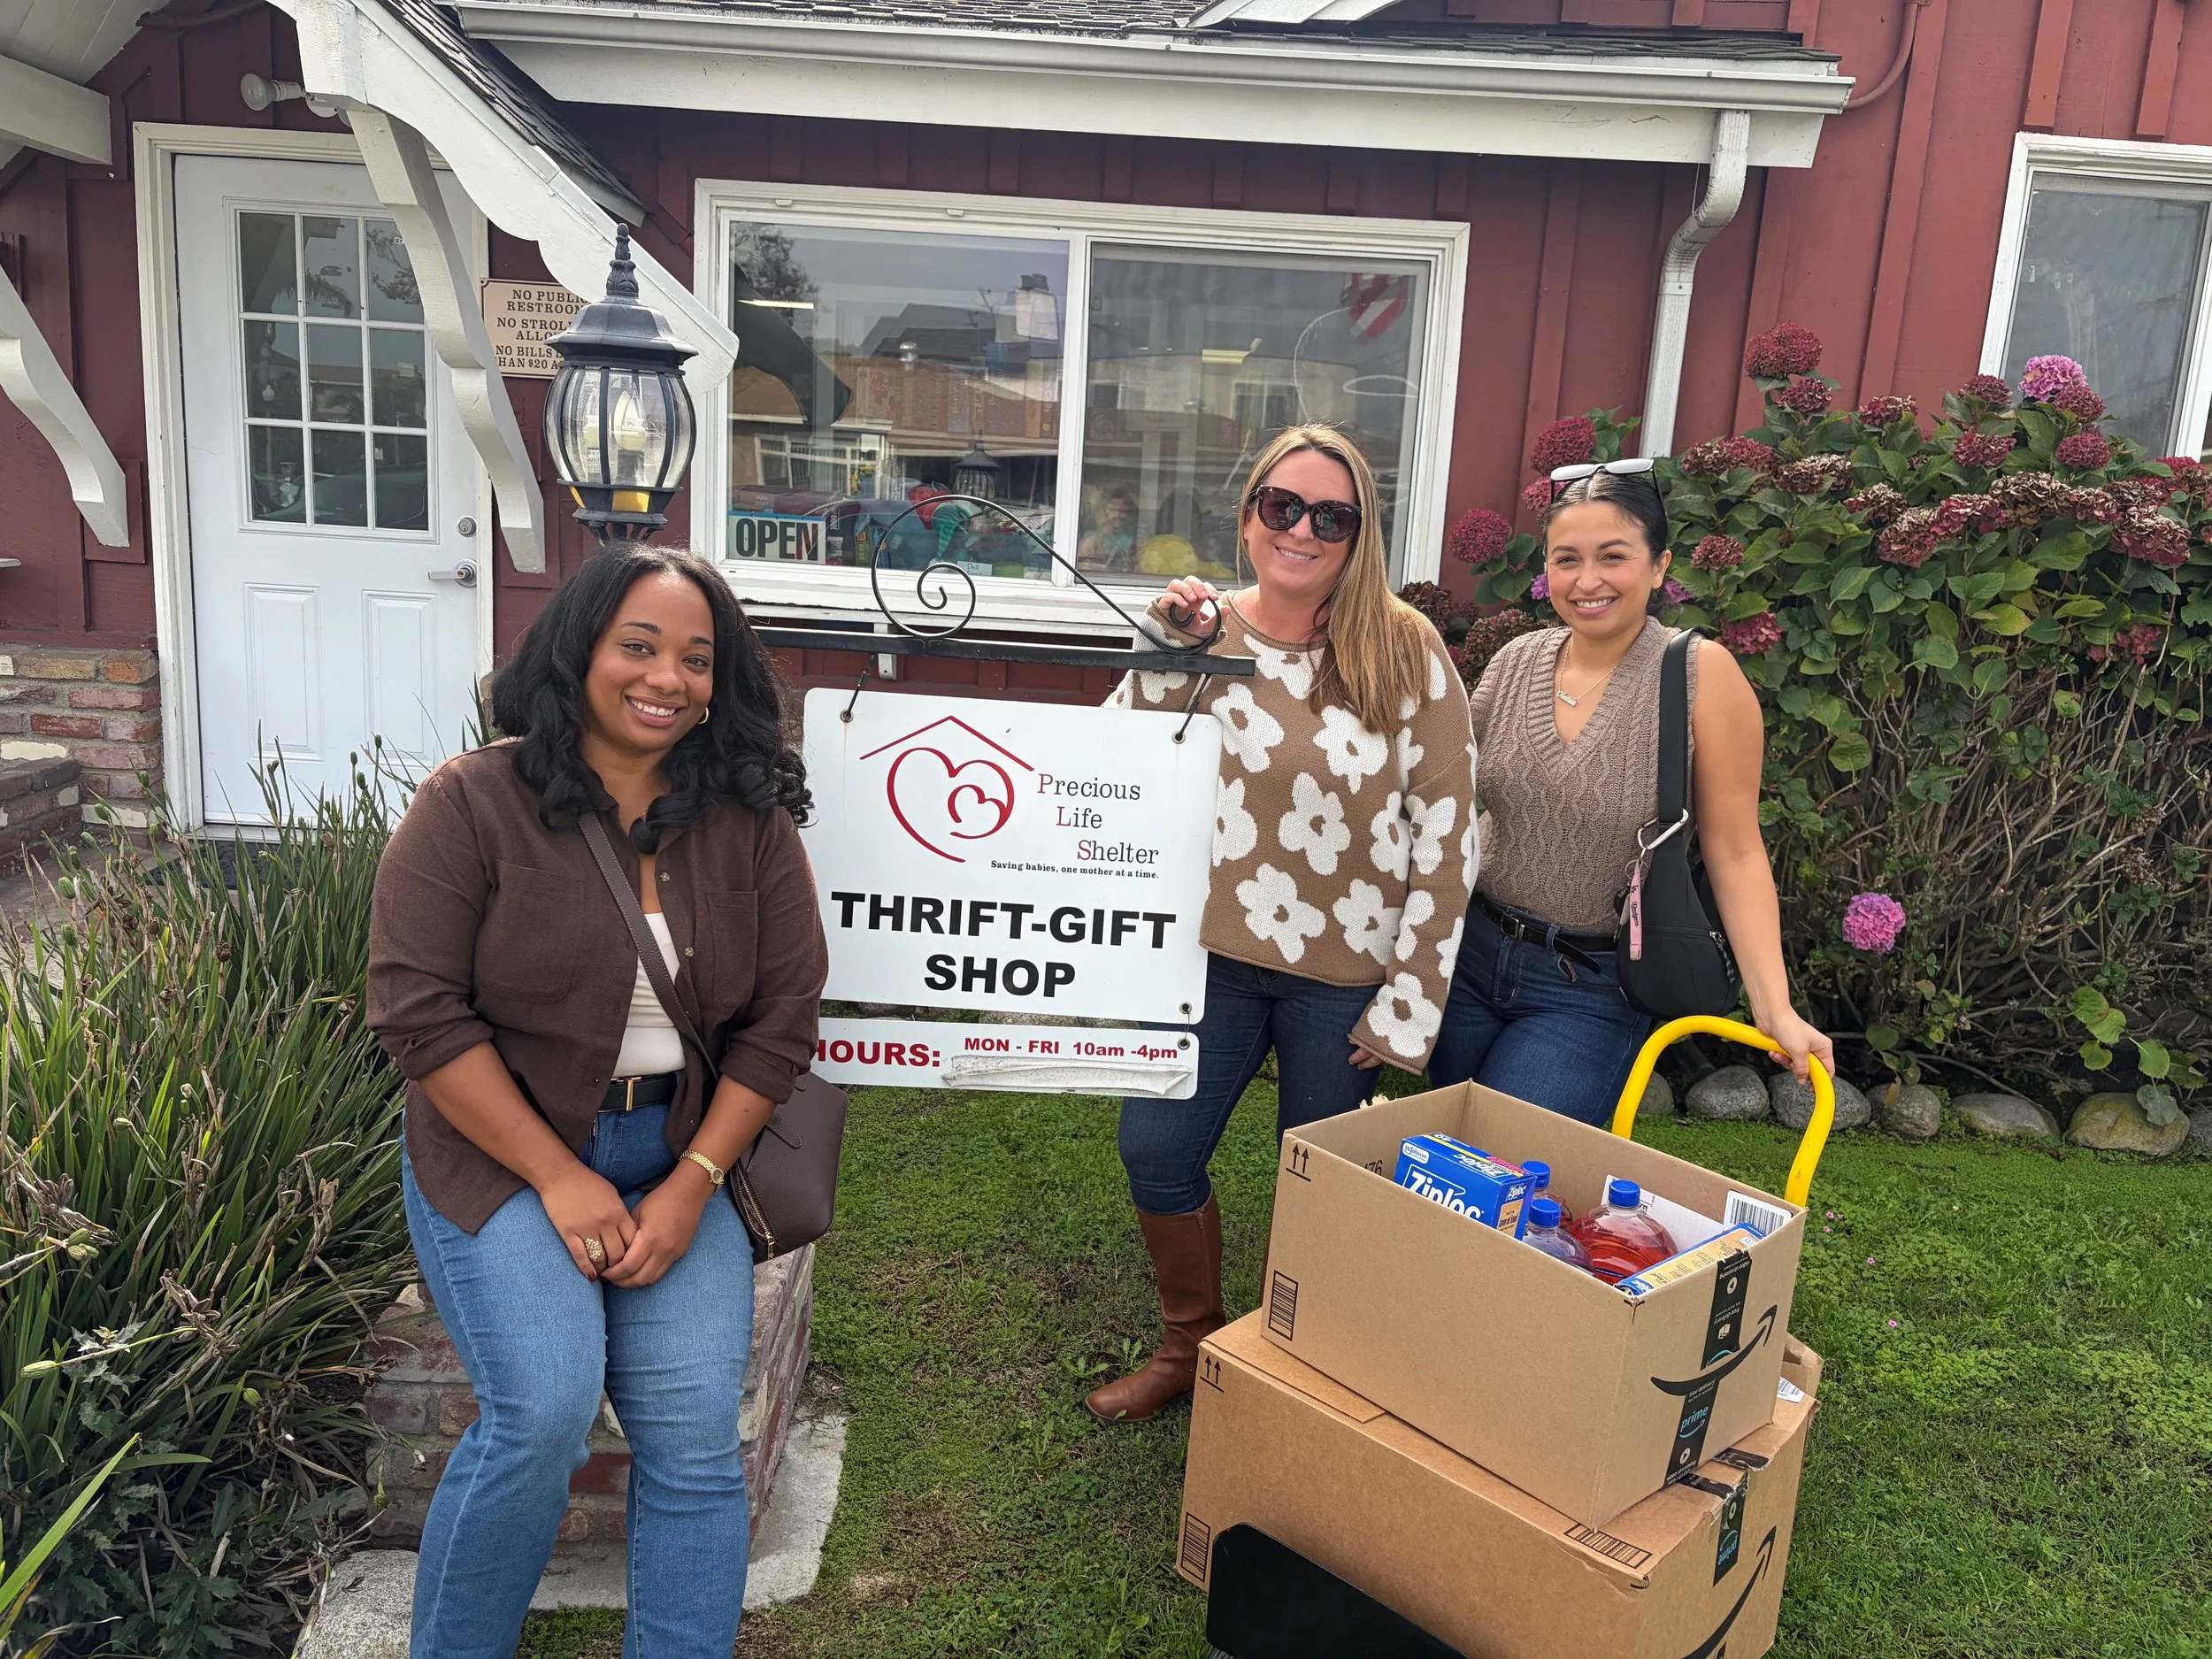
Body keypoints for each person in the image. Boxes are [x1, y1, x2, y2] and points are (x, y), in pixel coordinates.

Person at [367, 545, 827, 1659]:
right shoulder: (473, 801)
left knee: (691, 1442)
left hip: (680, 1147)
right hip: (503, 1152)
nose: (667, 676)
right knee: (542, 1413)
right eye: (639, 644)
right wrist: (562, 1177)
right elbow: (417, 1016)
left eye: (697, 657)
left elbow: (781, 1021)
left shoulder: (746, 821)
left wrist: (692, 1185)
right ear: (578, 651)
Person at [1087, 423, 1476, 1423]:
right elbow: (1115, 773)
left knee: (1323, 1187)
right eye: (1282, 505)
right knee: (1157, 1152)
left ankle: (1298, 1364)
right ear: (1249, 510)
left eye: (1331, 517)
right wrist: (1165, 648)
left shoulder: (1403, 647)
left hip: (1344, 976)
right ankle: (1193, 1343)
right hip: (1209, 960)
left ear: (1359, 535)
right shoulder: (1202, 628)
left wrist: (1408, 1007)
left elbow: (1447, 832)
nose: (1302, 529)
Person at [1428, 461, 1832, 1123]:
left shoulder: (1700, 675)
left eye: (1612, 557)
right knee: (1443, 1165)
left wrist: (1774, 1005)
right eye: (1567, 559)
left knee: (1498, 1166)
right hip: (1468, 959)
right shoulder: (1515, 662)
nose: (1587, 581)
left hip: (1589, 988)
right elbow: (1436, 788)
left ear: (1658, 565)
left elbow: (1734, 850)